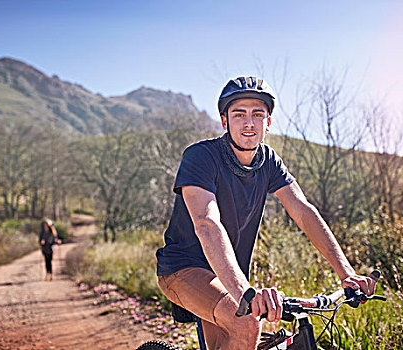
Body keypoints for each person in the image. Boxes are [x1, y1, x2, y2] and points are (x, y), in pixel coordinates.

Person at [155, 76, 377, 349]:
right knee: (246, 321)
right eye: (239, 114)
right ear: (225, 121)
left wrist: (346, 273)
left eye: (257, 115)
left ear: (268, 122)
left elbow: (304, 211)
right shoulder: (201, 157)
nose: (249, 123)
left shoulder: (269, 161)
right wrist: (245, 294)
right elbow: (207, 223)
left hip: (226, 275)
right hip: (183, 269)